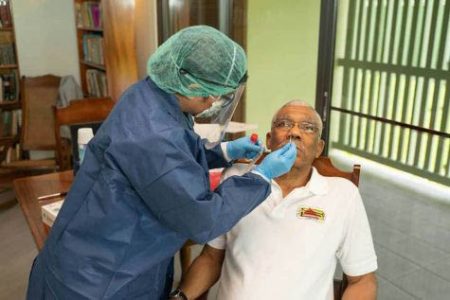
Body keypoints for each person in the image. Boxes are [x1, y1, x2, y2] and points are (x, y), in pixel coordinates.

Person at [26, 26, 298, 300]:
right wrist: (261, 176)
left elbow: (168, 160)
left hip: (98, 255)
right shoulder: (155, 134)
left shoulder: (149, 95)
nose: (214, 102)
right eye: (211, 94)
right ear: (189, 84)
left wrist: (223, 151)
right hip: (99, 281)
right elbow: (202, 218)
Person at [175, 101, 378, 300]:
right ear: (270, 140)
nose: (294, 133)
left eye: (308, 128)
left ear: (319, 148)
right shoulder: (237, 179)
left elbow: (362, 280)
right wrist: (179, 297)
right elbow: (211, 257)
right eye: (284, 124)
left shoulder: (343, 194)